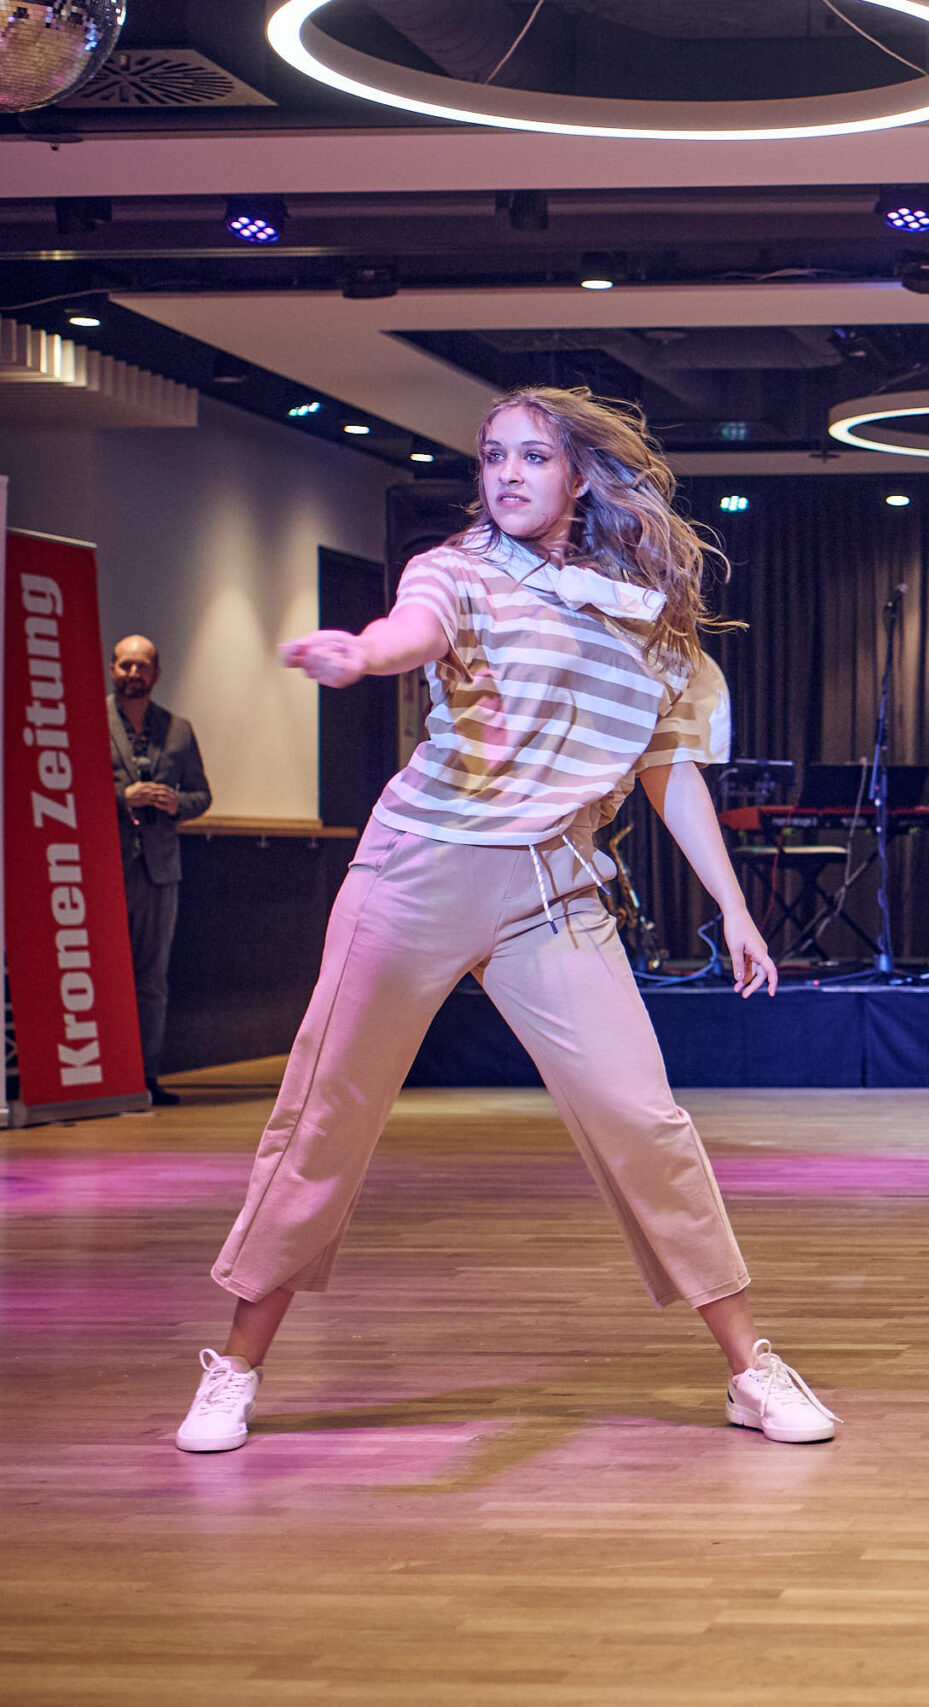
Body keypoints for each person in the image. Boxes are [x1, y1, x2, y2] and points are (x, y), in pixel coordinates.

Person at [176, 386, 835, 1453]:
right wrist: (362, 655)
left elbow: (667, 771)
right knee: (329, 1111)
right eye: (493, 457)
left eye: (533, 455)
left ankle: (750, 1368)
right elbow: (411, 632)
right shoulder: (456, 571)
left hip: (555, 887)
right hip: (418, 872)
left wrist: (733, 904)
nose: (509, 474)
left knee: (643, 1118)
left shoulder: (646, 615)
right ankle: (236, 1366)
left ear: (581, 475)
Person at [107, 634, 211, 1106]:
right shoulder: (89, 720)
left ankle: (145, 1078)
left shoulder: (178, 729)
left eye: (142, 666)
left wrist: (175, 804)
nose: (134, 673)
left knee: (151, 979)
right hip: (102, 868)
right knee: (105, 973)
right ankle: (107, 1077)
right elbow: (69, 785)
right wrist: (121, 797)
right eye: (126, 665)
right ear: (112, 669)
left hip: (160, 868)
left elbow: (202, 795)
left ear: (157, 672)